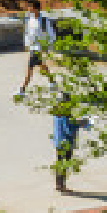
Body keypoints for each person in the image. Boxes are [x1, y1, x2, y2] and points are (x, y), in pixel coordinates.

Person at [18, 52, 85, 194]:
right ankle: (61, 185)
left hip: (58, 140)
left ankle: (59, 184)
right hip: (65, 141)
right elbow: (69, 128)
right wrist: (83, 123)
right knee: (64, 162)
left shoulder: (57, 111)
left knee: (60, 161)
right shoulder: (66, 113)